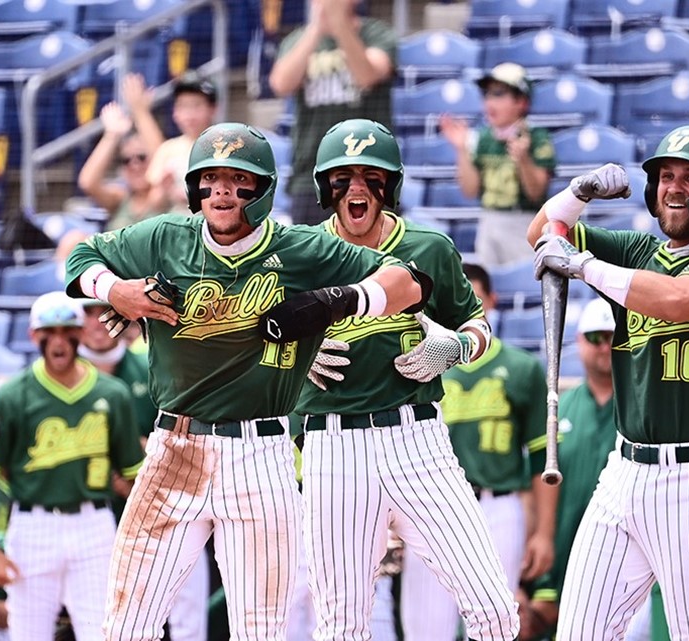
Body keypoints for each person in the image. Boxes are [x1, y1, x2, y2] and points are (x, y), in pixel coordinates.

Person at [64, 121, 426, 639]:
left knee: (261, 629)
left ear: (263, 190)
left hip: (261, 451)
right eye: (211, 179)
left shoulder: (300, 249)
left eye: (239, 180)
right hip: (175, 448)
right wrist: (115, 289)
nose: (222, 192)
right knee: (126, 623)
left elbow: (411, 279)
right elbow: (81, 256)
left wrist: (338, 299)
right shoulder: (166, 236)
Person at [528, 124, 689, 640]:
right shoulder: (638, 251)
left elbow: (678, 300)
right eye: (665, 176)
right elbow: (542, 234)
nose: (673, 187)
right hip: (624, 472)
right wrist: (578, 192)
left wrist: (582, 265)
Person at [296, 118, 519, 641]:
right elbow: (253, 333)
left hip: (416, 436)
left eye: (368, 176)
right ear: (325, 187)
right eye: (342, 177)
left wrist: (460, 346)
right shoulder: (299, 252)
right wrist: (293, 354)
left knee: (492, 607)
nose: (355, 189)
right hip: (332, 444)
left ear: (388, 184)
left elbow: (477, 323)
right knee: (341, 626)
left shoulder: (428, 247)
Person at [399, 262, 554, 641]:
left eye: (474, 299)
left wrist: (544, 534)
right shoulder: (420, 365)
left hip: (497, 506)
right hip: (430, 507)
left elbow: (542, 458)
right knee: (424, 629)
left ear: (491, 303)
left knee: (496, 624)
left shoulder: (520, 367)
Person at [0, 291, 146, 640]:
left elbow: (134, 478)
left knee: (103, 632)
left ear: (82, 332)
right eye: (47, 332)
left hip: (95, 524)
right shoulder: (12, 396)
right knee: (28, 633)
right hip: (31, 525)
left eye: (66, 330)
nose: (58, 341)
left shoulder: (112, 394)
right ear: (32, 336)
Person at [76, 298, 212, 641]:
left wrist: (141, 466)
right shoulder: (56, 373)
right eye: (88, 313)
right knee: (107, 619)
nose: (98, 322)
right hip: (88, 512)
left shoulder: (150, 366)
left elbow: (190, 432)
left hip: (164, 501)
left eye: (104, 311)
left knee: (187, 610)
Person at [517, 296, 619, 641]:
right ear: (578, 341)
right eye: (595, 337)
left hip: (619, 560)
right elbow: (533, 482)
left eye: (612, 337)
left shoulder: (640, 410)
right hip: (560, 557)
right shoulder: (557, 409)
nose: (604, 346)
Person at [268, 0, 396, 225]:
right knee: (312, 256)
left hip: (372, 174)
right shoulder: (298, 40)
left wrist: (340, 25)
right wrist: (316, 29)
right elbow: (280, 84)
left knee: (375, 256)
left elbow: (366, 75)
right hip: (311, 175)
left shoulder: (376, 33)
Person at [440, 62, 555, 267]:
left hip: (524, 223)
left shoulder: (537, 137)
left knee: (525, 284)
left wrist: (523, 159)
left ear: (521, 101)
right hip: (488, 221)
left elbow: (537, 192)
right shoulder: (483, 138)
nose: (489, 102)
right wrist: (462, 150)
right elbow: (470, 190)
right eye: (487, 94)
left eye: (499, 94)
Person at [76, 73, 169, 230]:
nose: (134, 165)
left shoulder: (165, 195)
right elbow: (88, 182)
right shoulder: (120, 199)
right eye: (126, 160)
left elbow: (165, 159)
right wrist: (112, 135)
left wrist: (140, 112)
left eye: (141, 157)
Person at [145, 70, 219, 212]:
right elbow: (154, 203)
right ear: (175, 112)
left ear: (213, 109)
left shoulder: (227, 145)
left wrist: (190, 197)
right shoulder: (167, 149)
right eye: (183, 106)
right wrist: (164, 189)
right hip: (178, 226)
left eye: (197, 106)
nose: (190, 114)